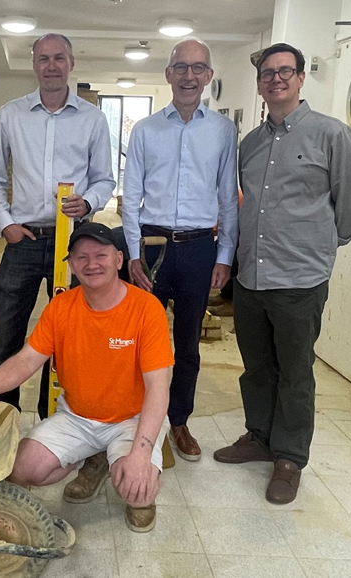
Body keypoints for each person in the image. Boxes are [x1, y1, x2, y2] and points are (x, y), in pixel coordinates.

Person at [213, 43, 351, 505]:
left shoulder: (332, 135)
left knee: (296, 371)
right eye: (268, 73)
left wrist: (317, 247)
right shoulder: (251, 144)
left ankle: (290, 457)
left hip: (300, 279)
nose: (276, 79)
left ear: (301, 78)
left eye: (285, 71)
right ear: (260, 83)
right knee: (257, 367)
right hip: (252, 278)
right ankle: (259, 436)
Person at [0, 223, 172, 533]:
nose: (91, 264)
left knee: (136, 487)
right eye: (81, 257)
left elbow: (158, 387)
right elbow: (26, 360)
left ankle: (126, 473)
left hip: (131, 419)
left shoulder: (145, 309)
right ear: (71, 264)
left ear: (118, 259)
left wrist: (140, 454)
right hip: (78, 418)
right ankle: (93, 457)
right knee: (21, 468)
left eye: (100, 255)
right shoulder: (61, 307)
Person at [0, 33, 116, 414]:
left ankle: (54, 420)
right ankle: (3, 420)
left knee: (69, 337)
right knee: (5, 337)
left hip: (72, 244)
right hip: (22, 239)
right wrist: (5, 222)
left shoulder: (92, 119)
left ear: (71, 63)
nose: (52, 66)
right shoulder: (11, 114)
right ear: (34, 64)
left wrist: (88, 201)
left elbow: (105, 178)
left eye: (59, 58)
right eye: (44, 59)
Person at [120, 38, 238, 462]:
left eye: (198, 68)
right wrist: (133, 254)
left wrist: (224, 256)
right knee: (139, 339)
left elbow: (228, 198)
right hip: (151, 247)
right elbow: (129, 197)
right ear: (168, 74)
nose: (189, 76)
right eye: (181, 68)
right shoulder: (147, 130)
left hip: (198, 249)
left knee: (187, 343)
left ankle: (179, 421)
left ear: (208, 76)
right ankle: (134, 419)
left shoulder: (223, 130)